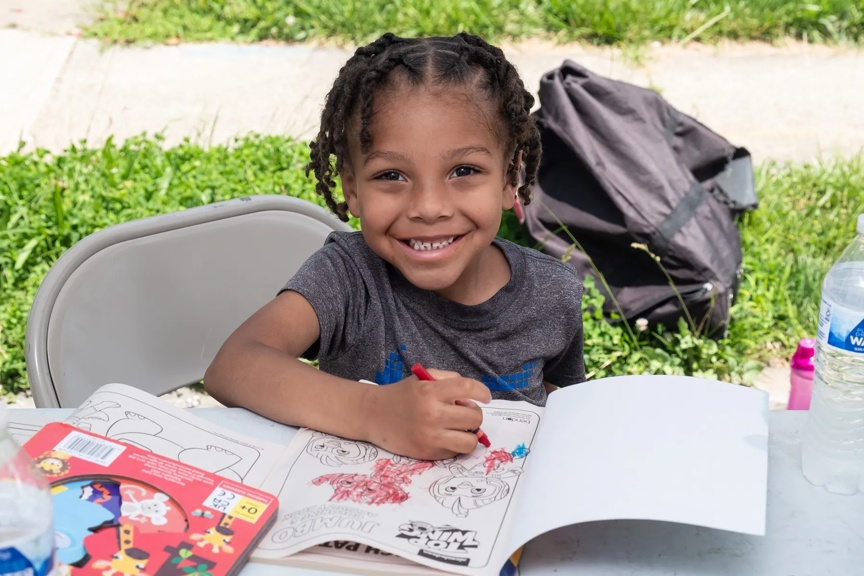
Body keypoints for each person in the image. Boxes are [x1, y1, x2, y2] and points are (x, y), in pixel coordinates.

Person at [204, 32, 585, 460]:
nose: (428, 207)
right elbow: (233, 366)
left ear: (510, 177)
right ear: (352, 188)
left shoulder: (554, 293)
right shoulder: (349, 277)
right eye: (391, 176)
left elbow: (564, 413)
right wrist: (376, 414)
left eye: (464, 170)